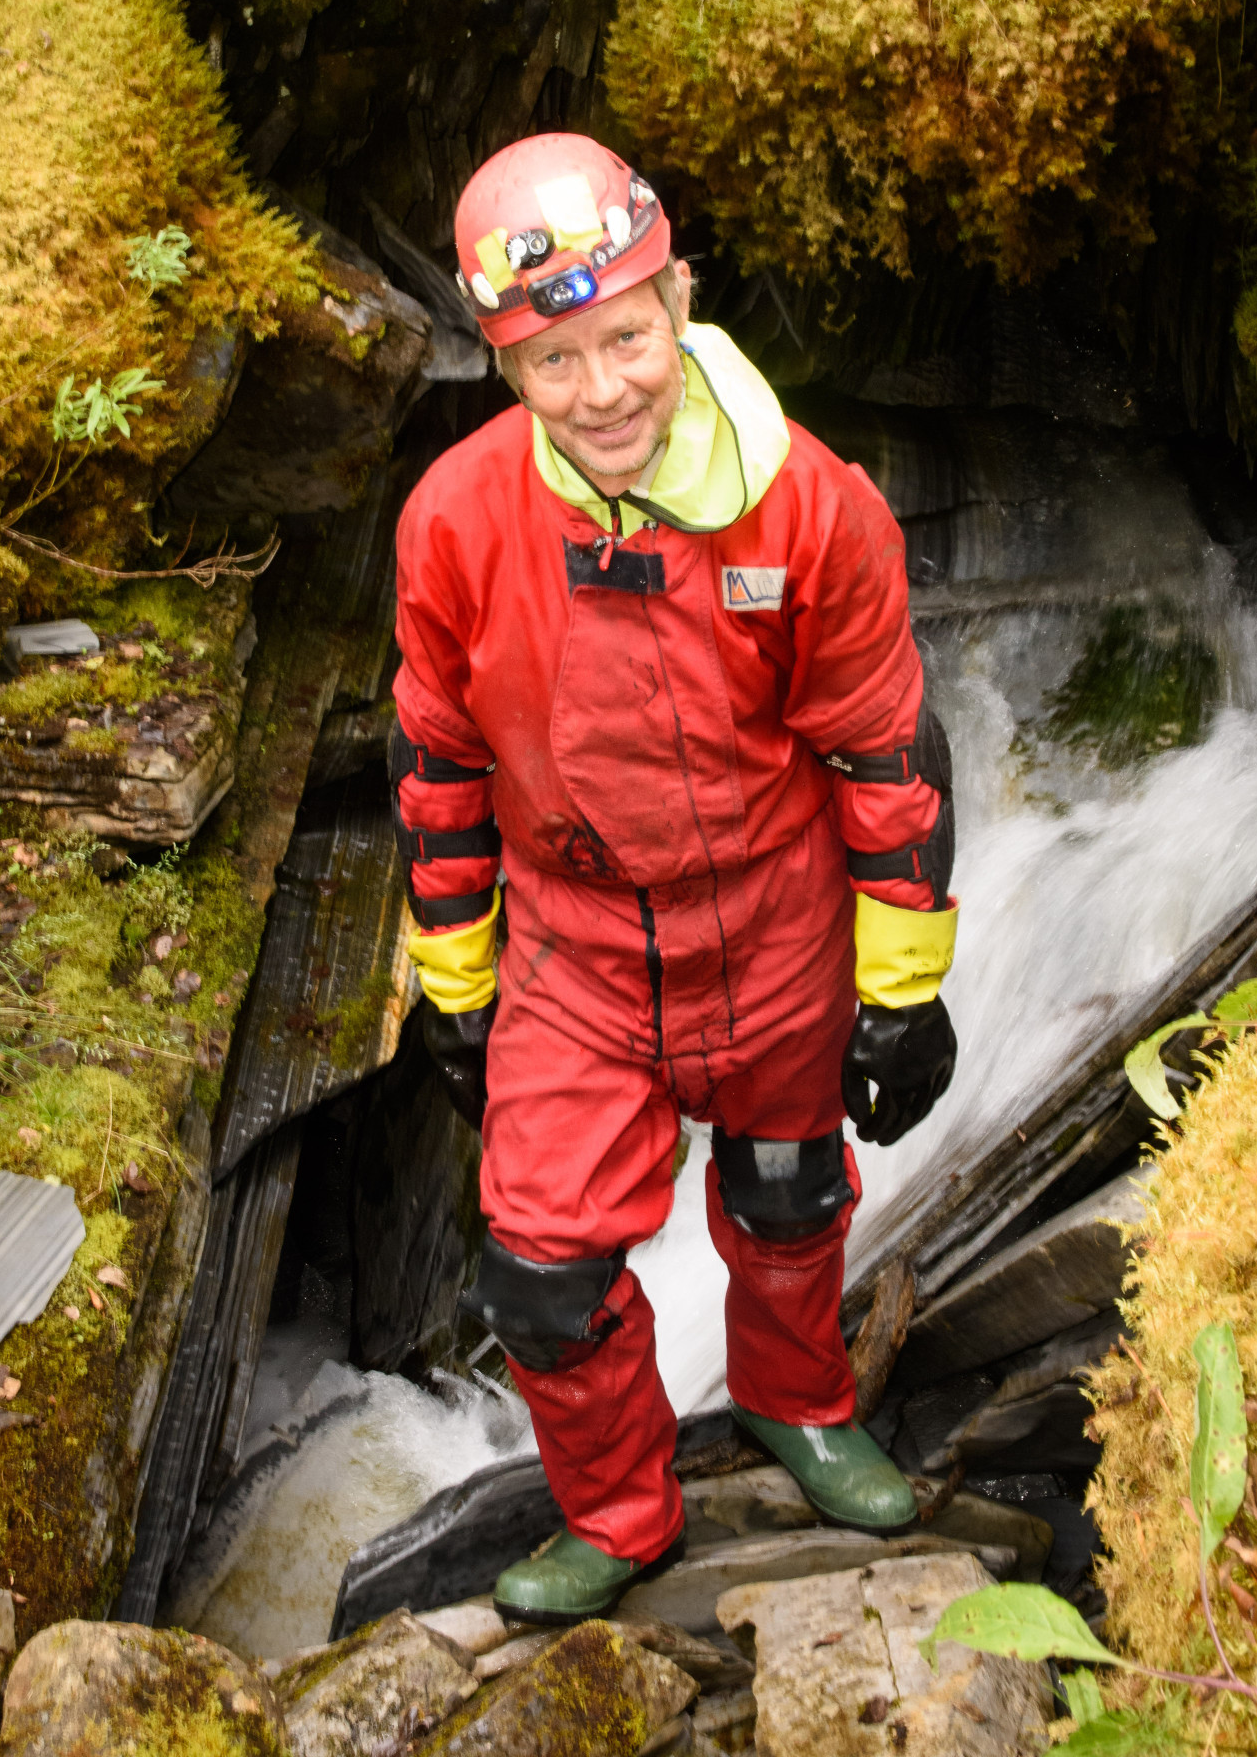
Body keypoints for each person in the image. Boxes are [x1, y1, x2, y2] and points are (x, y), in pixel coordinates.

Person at [388, 133, 959, 1625]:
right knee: (540, 1275)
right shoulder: (456, 522)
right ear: (506, 367)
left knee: (786, 1193)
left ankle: (798, 1403)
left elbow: (887, 749)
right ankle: (620, 1514)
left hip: (775, 923)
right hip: (573, 952)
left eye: (628, 339)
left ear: (681, 298)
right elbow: (438, 768)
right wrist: (455, 987)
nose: (603, 392)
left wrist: (904, 992)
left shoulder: (809, 505)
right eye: (553, 360)